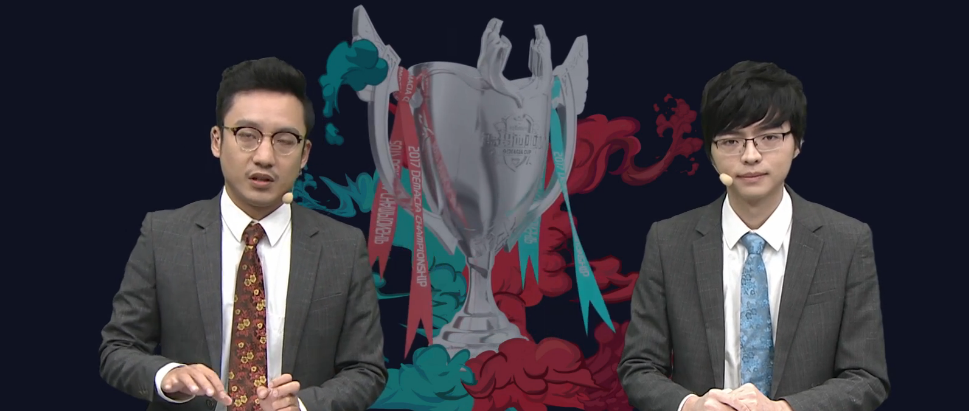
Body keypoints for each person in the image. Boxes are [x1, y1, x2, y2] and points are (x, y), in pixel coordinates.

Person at [99, 57, 388, 411]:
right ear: (217, 141)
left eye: (284, 140)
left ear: (304, 155)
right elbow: (117, 349)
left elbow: (366, 369)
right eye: (248, 135)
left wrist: (302, 406)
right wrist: (168, 376)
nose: (265, 156)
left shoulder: (342, 247)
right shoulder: (164, 236)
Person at [618, 61, 889, 411]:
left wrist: (783, 409)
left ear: (797, 143)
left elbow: (866, 376)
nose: (750, 155)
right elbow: (639, 367)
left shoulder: (847, 242)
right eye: (731, 141)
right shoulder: (668, 242)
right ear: (711, 151)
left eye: (769, 138)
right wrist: (691, 405)